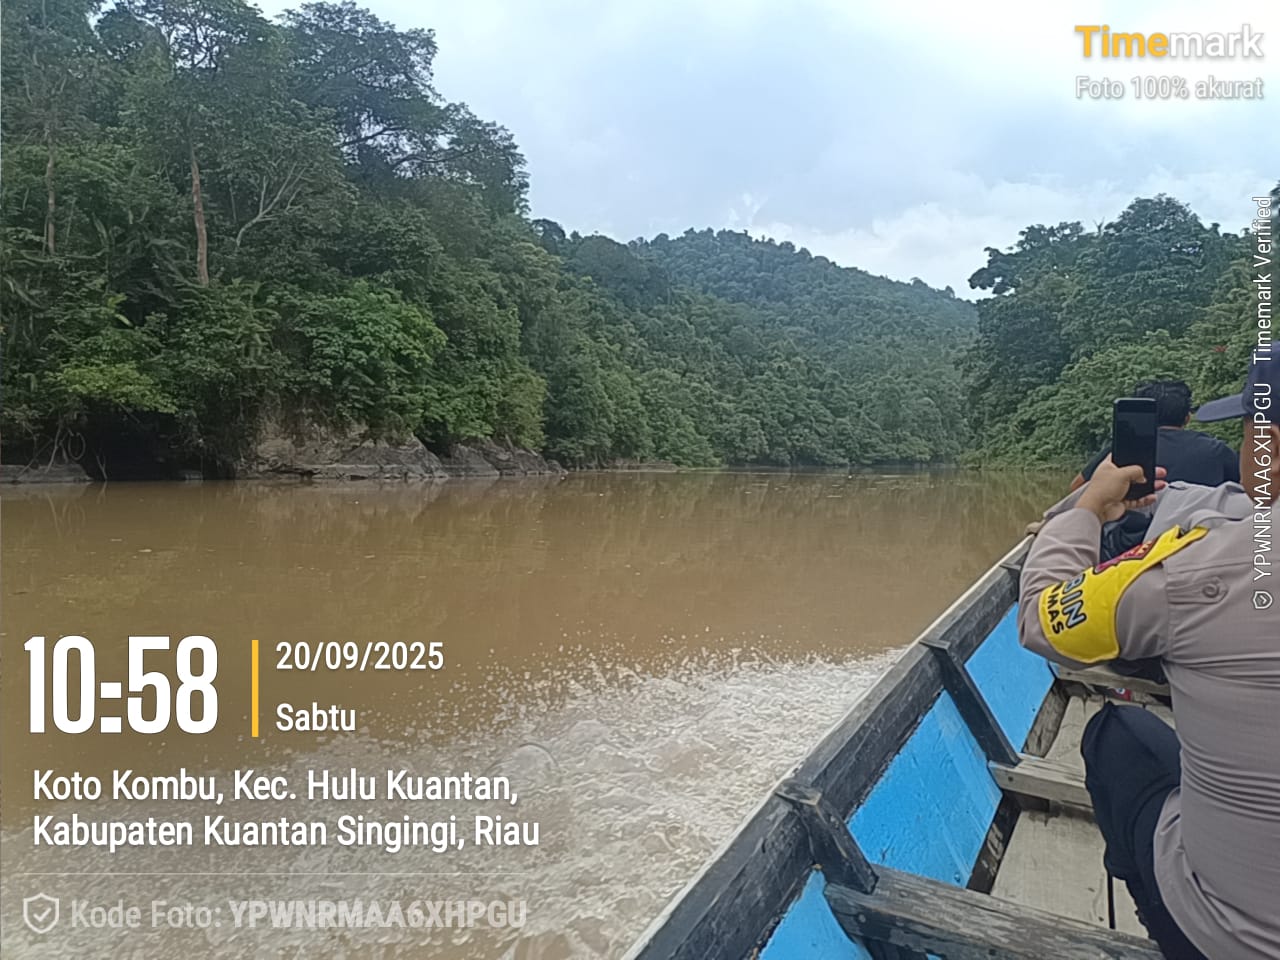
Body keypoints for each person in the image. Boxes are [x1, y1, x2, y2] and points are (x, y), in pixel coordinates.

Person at [1017, 352, 1280, 960]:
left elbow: (1041, 616)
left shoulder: (1203, 568)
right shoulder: (1218, 479)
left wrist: (1087, 510)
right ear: (1185, 417)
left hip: (1233, 941)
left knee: (1119, 735)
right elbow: (1241, 504)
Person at [1069, 379, 1241, 491]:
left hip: (1135, 534)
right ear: (1187, 417)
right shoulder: (1216, 450)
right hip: (1199, 532)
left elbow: (1078, 487)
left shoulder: (1124, 449)